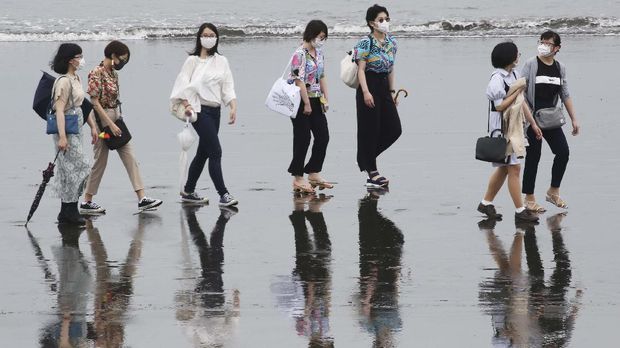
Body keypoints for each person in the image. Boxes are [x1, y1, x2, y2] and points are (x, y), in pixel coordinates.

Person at [81, 40, 162, 214]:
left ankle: (142, 198)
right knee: (100, 160)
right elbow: (94, 103)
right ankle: (87, 201)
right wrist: (109, 124)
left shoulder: (113, 74)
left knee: (130, 156)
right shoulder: (96, 73)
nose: (123, 63)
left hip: (115, 117)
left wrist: (117, 119)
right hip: (101, 121)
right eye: (122, 59)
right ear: (113, 56)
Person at [170, 23, 239, 207]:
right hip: (199, 112)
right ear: (200, 37)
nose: (209, 37)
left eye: (212, 35)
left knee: (203, 153)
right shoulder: (192, 61)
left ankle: (188, 190)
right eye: (205, 34)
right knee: (215, 151)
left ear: (216, 38)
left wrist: (233, 106)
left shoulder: (221, 61)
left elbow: (227, 86)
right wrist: (186, 105)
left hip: (216, 111)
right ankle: (223, 194)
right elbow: (182, 85)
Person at [477, 41, 540, 222]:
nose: (519, 56)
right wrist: (516, 91)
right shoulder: (497, 79)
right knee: (514, 168)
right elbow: (500, 106)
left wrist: (533, 124)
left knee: (505, 169)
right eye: (517, 54)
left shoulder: (514, 75)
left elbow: (521, 102)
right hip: (502, 129)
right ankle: (520, 211)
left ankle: (486, 202)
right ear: (510, 58)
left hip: (514, 128)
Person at [520, 31, 580, 212]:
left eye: (547, 43)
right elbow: (520, 94)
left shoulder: (560, 67)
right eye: (541, 42)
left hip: (551, 118)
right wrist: (531, 121)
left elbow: (565, 94)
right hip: (532, 118)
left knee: (563, 152)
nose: (543, 46)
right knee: (533, 157)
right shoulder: (531, 64)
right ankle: (529, 198)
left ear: (557, 48)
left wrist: (574, 119)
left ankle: (553, 192)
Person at [48, 43, 98, 225]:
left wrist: (92, 126)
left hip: (77, 126)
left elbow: (82, 105)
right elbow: (59, 110)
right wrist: (62, 137)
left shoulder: (76, 77)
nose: (82, 60)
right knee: (79, 167)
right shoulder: (63, 81)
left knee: (71, 170)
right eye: (79, 56)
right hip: (66, 128)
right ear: (71, 60)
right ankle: (69, 209)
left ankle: (68, 211)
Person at [353, 4, 402, 188]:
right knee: (370, 130)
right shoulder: (366, 43)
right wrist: (366, 92)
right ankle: (371, 172)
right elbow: (361, 70)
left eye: (387, 19)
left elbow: (391, 68)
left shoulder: (392, 42)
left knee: (394, 129)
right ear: (372, 23)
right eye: (381, 20)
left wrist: (392, 91)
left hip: (383, 86)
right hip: (369, 84)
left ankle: (365, 158)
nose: (385, 23)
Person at [286, 20, 333, 194]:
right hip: (300, 100)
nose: (322, 40)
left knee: (323, 136)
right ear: (312, 34)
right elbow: (299, 80)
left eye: (324, 38)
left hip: (316, 99)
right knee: (302, 138)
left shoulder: (319, 53)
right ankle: (298, 177)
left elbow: (322, 76)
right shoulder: (299, 54)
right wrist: (306, 103)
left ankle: (313, 171)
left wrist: (326, 97)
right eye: (320, 36)